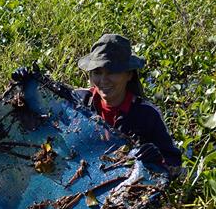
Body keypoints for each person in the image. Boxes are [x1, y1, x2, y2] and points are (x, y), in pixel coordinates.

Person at [73, 33, 182, 169]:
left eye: (112, 72)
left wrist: (158, 158)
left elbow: (174, 162)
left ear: (129, 74)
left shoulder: (146, 114)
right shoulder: (78, 101)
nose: (103, 80)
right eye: (97, 72)